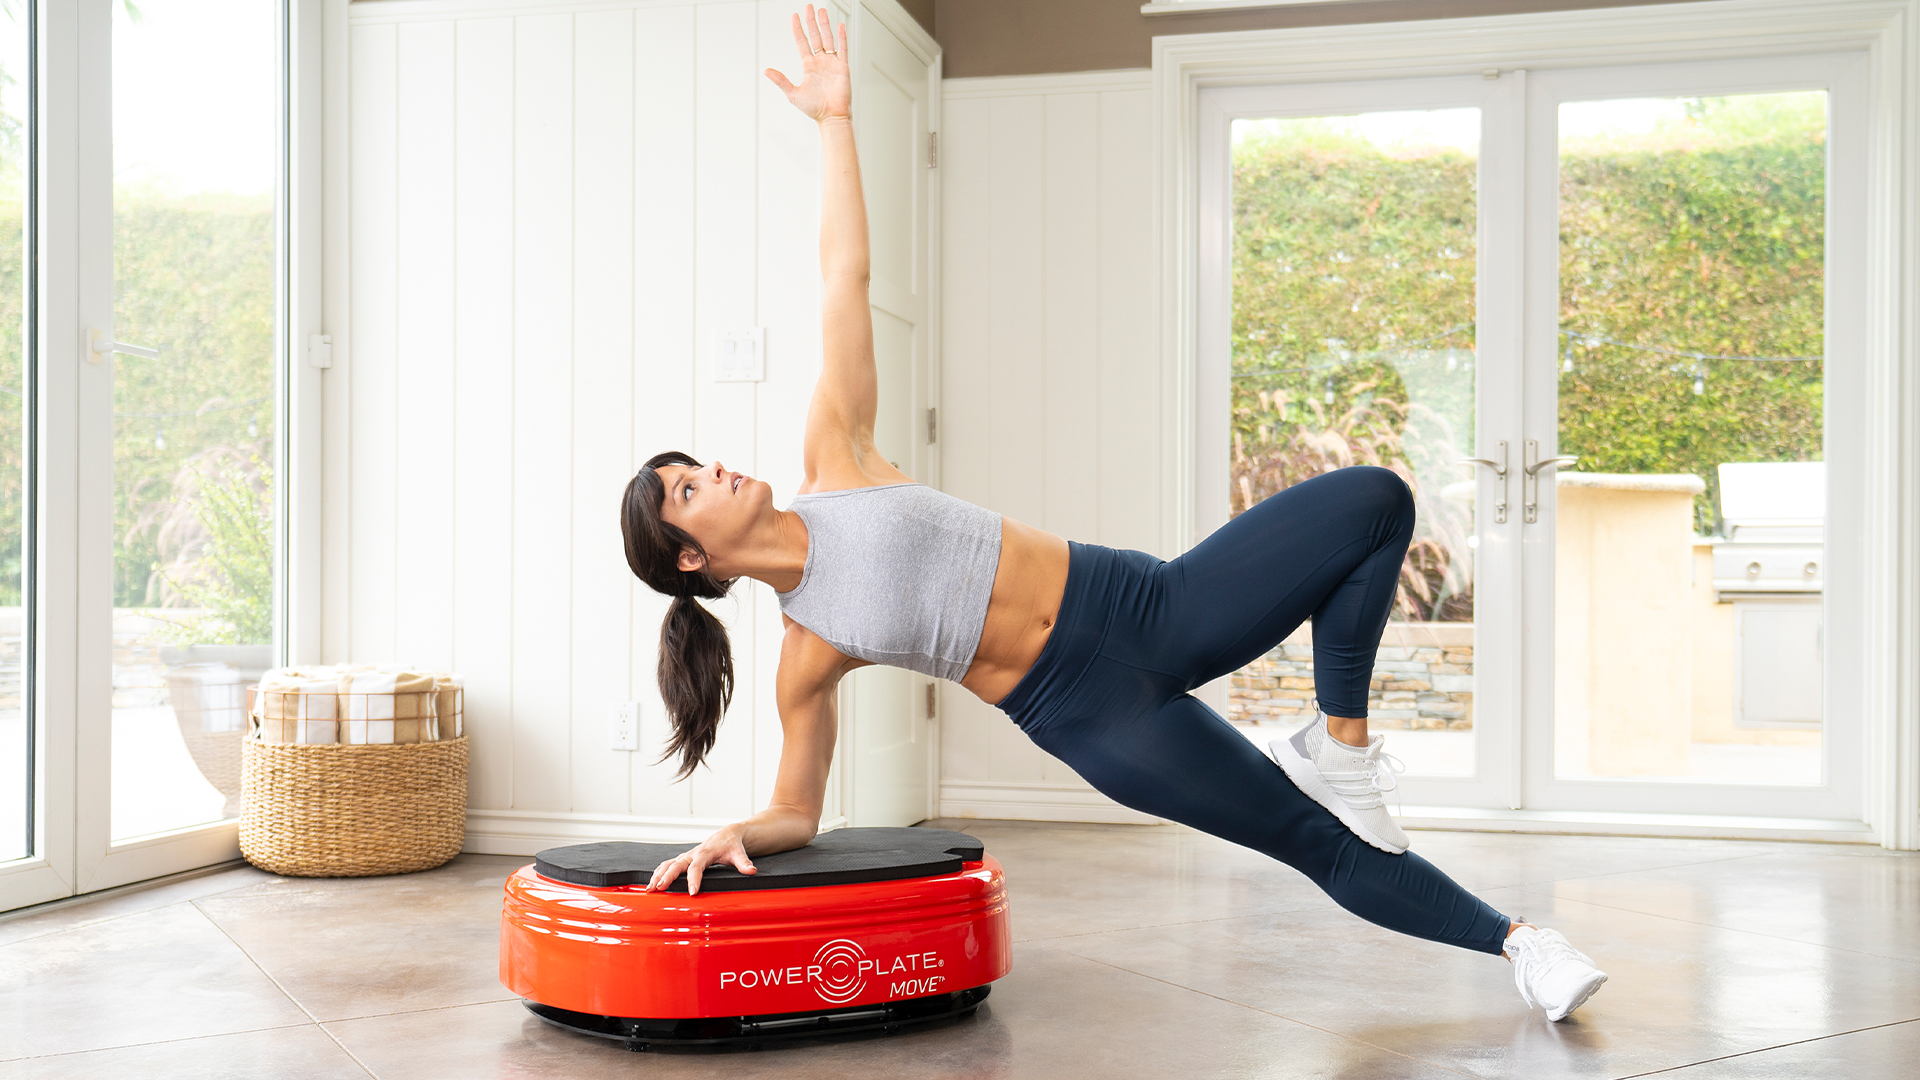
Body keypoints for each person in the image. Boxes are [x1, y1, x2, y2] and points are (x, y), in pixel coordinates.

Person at [620, 5, 1607, 1023]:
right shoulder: (806, 650)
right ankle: (1524, 946)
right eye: (689, 489)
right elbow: (797, 806)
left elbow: (845, 276)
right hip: (1091, 718)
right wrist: (739, 833)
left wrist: (835, 122)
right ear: (695, 561)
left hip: (1146, 605)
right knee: (1313, 842)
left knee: (1376, 501)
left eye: (696, 464)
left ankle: (1340, 746)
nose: (716, 470)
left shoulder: (839, 454)